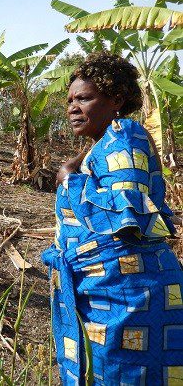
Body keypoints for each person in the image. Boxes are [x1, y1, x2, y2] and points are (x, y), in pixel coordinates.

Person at [42, 52, 183, 385]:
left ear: (116, 99)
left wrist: (70, 179)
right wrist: (72, 169)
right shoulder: (104, 142)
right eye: (70, 100)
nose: (72, 107)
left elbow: (126, 212)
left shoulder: (125, 136)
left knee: (123, 374)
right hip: (103, 289)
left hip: (127, 296)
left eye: (84, 98)